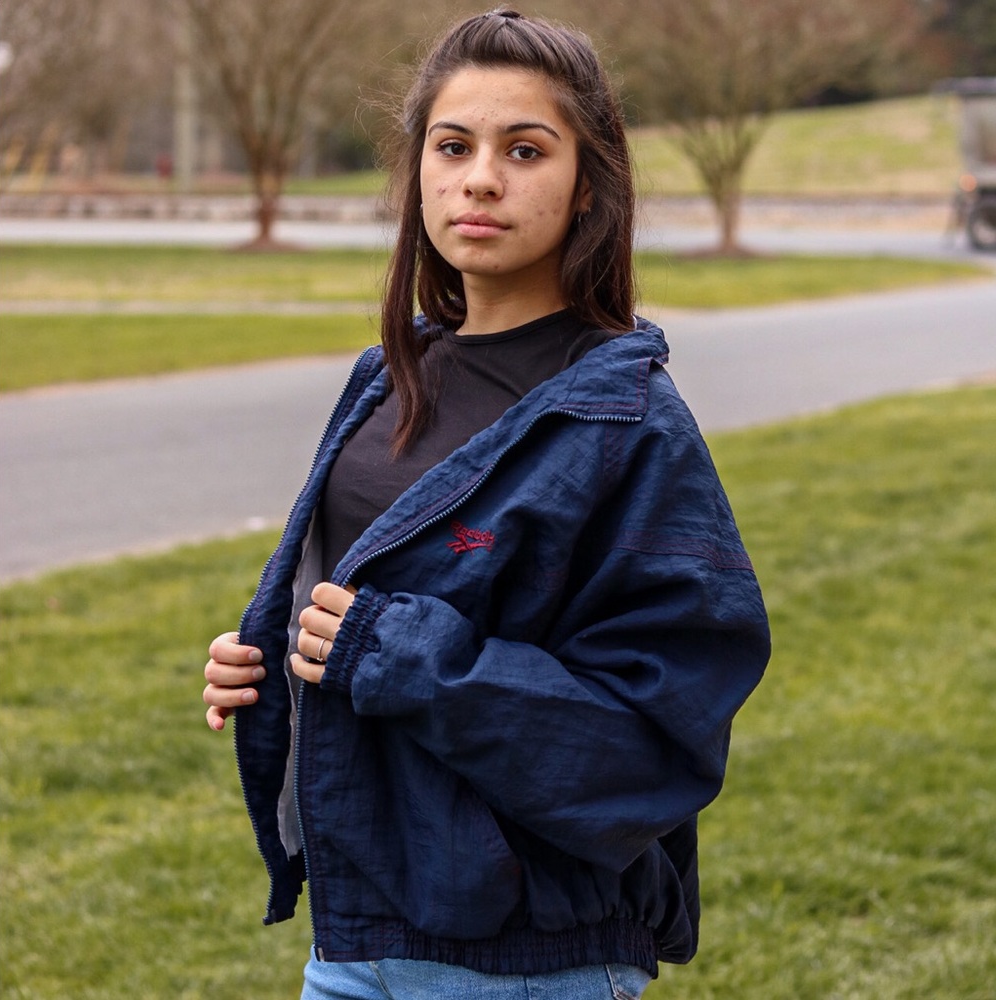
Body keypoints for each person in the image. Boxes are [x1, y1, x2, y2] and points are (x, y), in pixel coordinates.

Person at [202, 9, 770, 999]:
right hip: (351, 941)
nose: (478, 179)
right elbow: (359, 603)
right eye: (451, 145)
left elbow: (656, 743)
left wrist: (402, 655)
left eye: (525, 149)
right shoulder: (384, 378)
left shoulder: (625, 421)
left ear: (587, 183)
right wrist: (271, 660)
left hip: (523, 963)